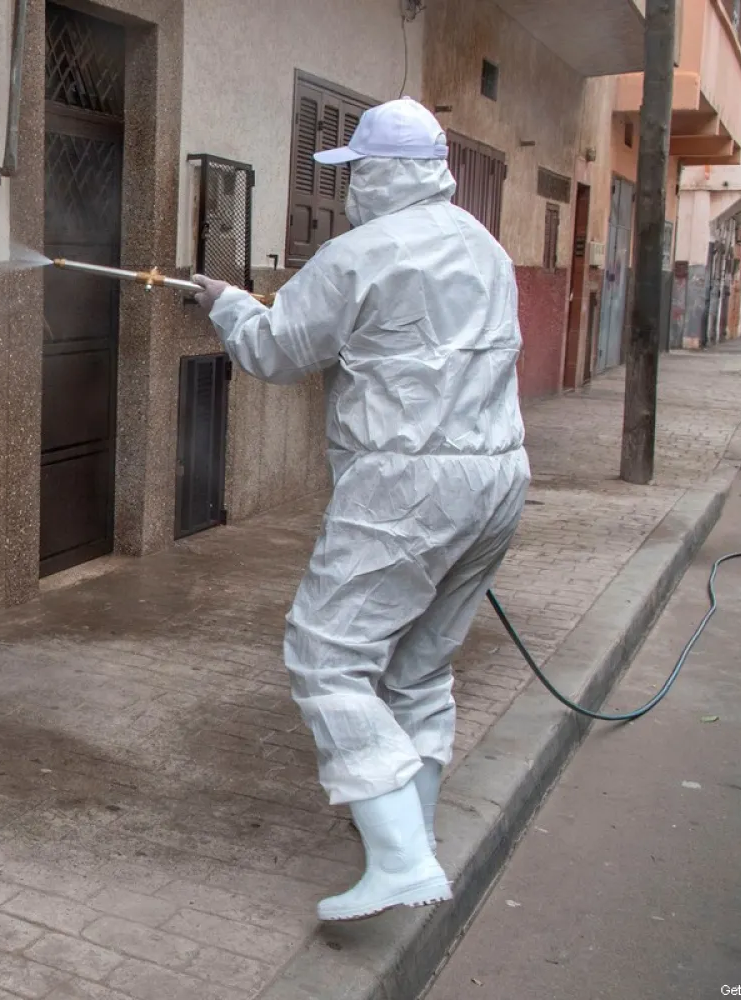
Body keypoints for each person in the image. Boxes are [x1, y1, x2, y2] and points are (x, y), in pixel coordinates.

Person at [193, 98, 530, 922]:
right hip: (498, 477)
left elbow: (278, 352)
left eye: (357, 174)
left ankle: (402, 861)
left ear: (381, 174)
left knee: (327, 654)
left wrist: (228, 304)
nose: (351, 191)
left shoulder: (361, 253)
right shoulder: (485, 247)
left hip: (407, 484)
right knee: (417, 666)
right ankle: (412, 833)